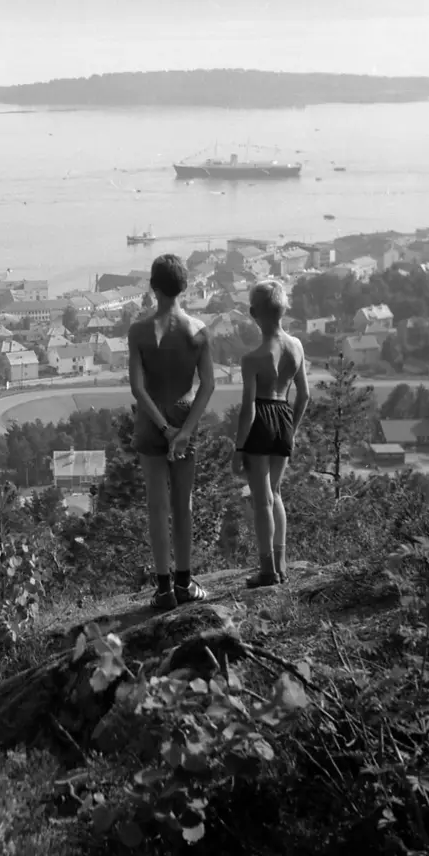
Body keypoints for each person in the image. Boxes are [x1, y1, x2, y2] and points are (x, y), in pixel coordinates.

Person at [128, 253, 216, 611]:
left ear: (153, 286)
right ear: (185, 286)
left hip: (152, 423)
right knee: (184, 505)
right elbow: (207, 385)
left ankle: (163, 588)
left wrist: (163, 428)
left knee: (156, 505)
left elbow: (137, 388)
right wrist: (183, 432)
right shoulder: (198, 331)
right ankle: (184, 581)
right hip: (185, 418)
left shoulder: (138, 331)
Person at [231, 279, 310, 587]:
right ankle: (282, 564)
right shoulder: (297, 347)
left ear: (253, 313)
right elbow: (303, 395)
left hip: (262, 418)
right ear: (284, 309)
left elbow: (248, 408)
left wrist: (239, 449)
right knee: (276, 493)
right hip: (284, 417)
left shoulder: (252, 359)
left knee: (261, 498)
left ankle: (266, 571)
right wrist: (294, 429)